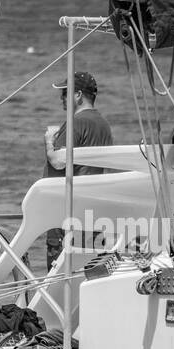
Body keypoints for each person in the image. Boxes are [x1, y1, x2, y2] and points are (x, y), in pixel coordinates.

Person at [43, 71, 114, 269]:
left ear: (78, 95)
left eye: (65, 93)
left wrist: (49, 140)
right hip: (94, 213)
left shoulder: (77, 123)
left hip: (68, 214)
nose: (61, 98)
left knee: (59, 275)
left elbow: (58, 162)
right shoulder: (103, 125)